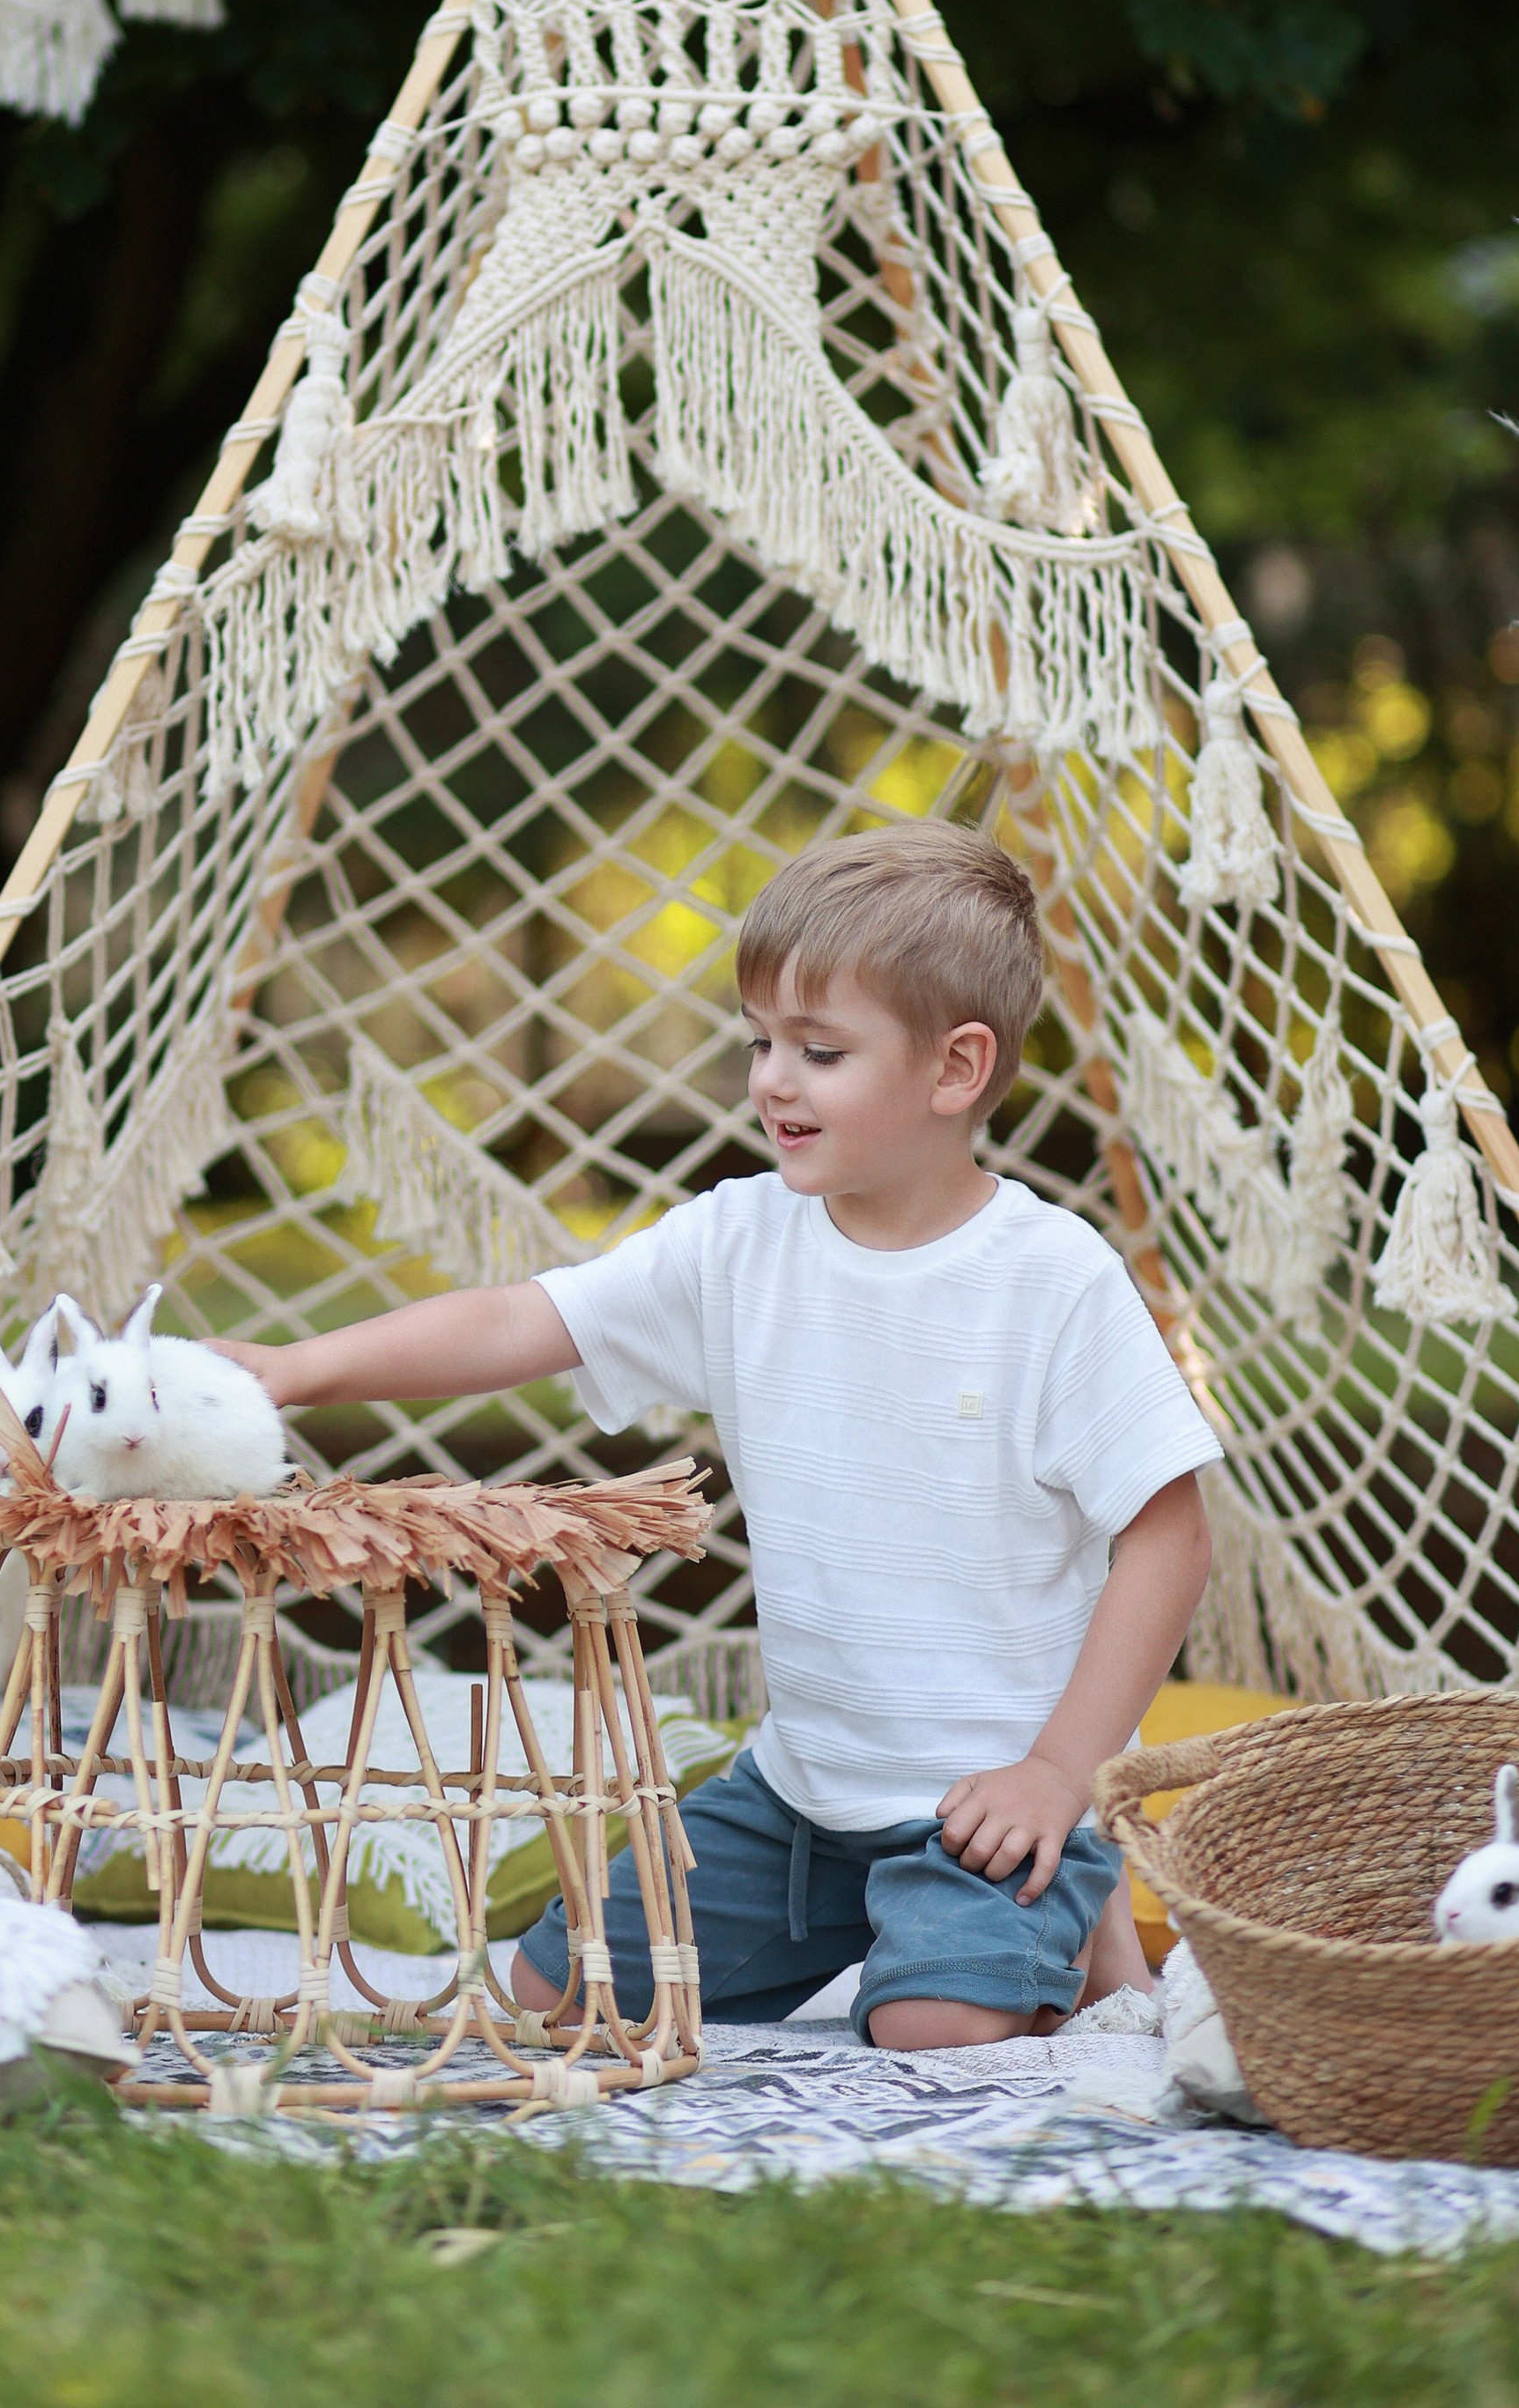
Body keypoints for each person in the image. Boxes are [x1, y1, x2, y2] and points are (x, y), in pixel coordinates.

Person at [214, 822, 1220, 2049]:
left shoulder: (1051, 1279)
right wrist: (292, 1370)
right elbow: (523, 1320)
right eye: (760, 1044)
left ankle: (1069, 1892)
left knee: (934, 2038)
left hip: (989, 1805)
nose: (771, 1082)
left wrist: (1060, 1775)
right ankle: (1053, 1923)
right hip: (795, 1799)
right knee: (555, 2007)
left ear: (957, 1068)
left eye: (820, 1051)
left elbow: (1168, 1542)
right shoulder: (738, 1245)